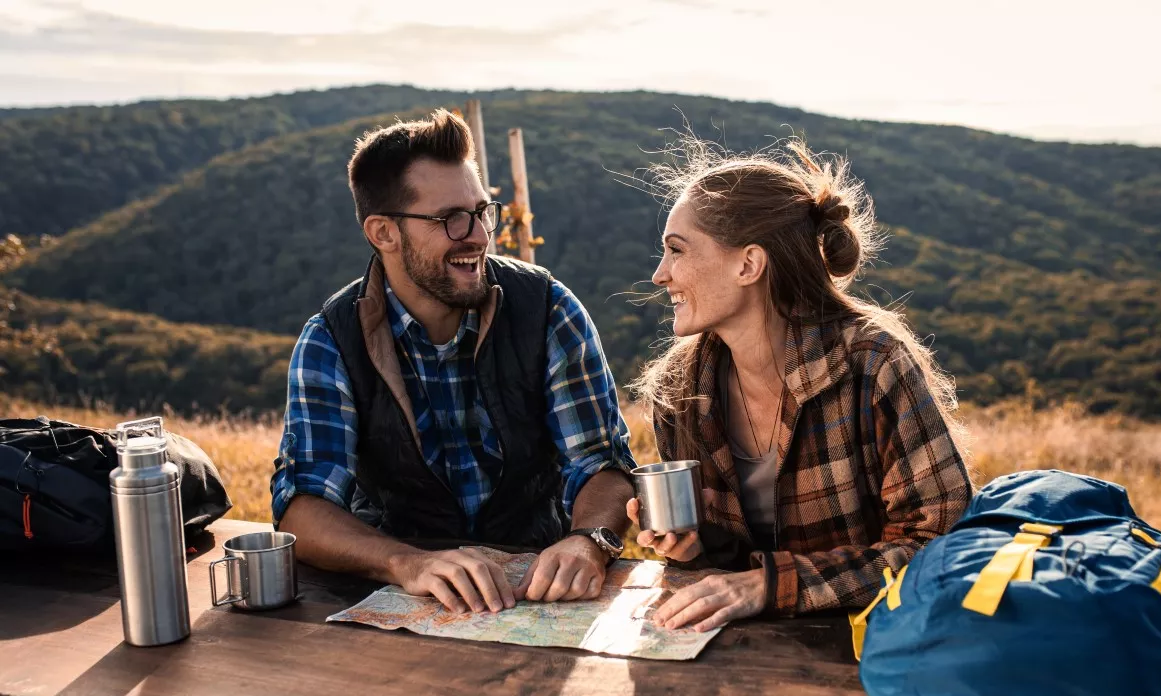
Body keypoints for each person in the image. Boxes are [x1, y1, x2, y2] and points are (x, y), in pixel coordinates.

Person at [270, 109, 636, 619]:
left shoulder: (549, 309)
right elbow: (302, 509)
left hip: (536, 585)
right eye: (450, 219)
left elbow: (603, 463)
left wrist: (588, 541)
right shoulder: (332, 340)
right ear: (383, 233)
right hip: (402, 594)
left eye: (482, 211)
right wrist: (406, 563)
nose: (480, 236)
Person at [627, 138, 972, 632]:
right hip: (746, 659)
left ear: (748, 264)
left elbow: (942, 548)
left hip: (878, 648)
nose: (660, 275)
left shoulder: (873, 366)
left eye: (676, 251)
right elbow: (725, 572)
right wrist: (693, 545)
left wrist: (771, 585)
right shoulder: (680, 389)